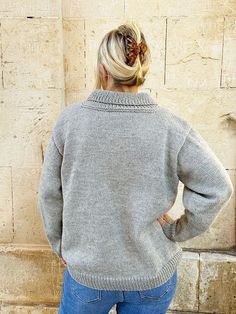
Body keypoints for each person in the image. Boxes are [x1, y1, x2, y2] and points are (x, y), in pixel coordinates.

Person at [37, 20, 234, 314]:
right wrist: (178, 231)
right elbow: (218, 187)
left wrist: (61, 246)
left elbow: (49, 195)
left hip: (88, 276)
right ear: (143, 69)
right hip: (150, 272)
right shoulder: (171, 127)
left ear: (103, 70)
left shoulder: (70, 123)